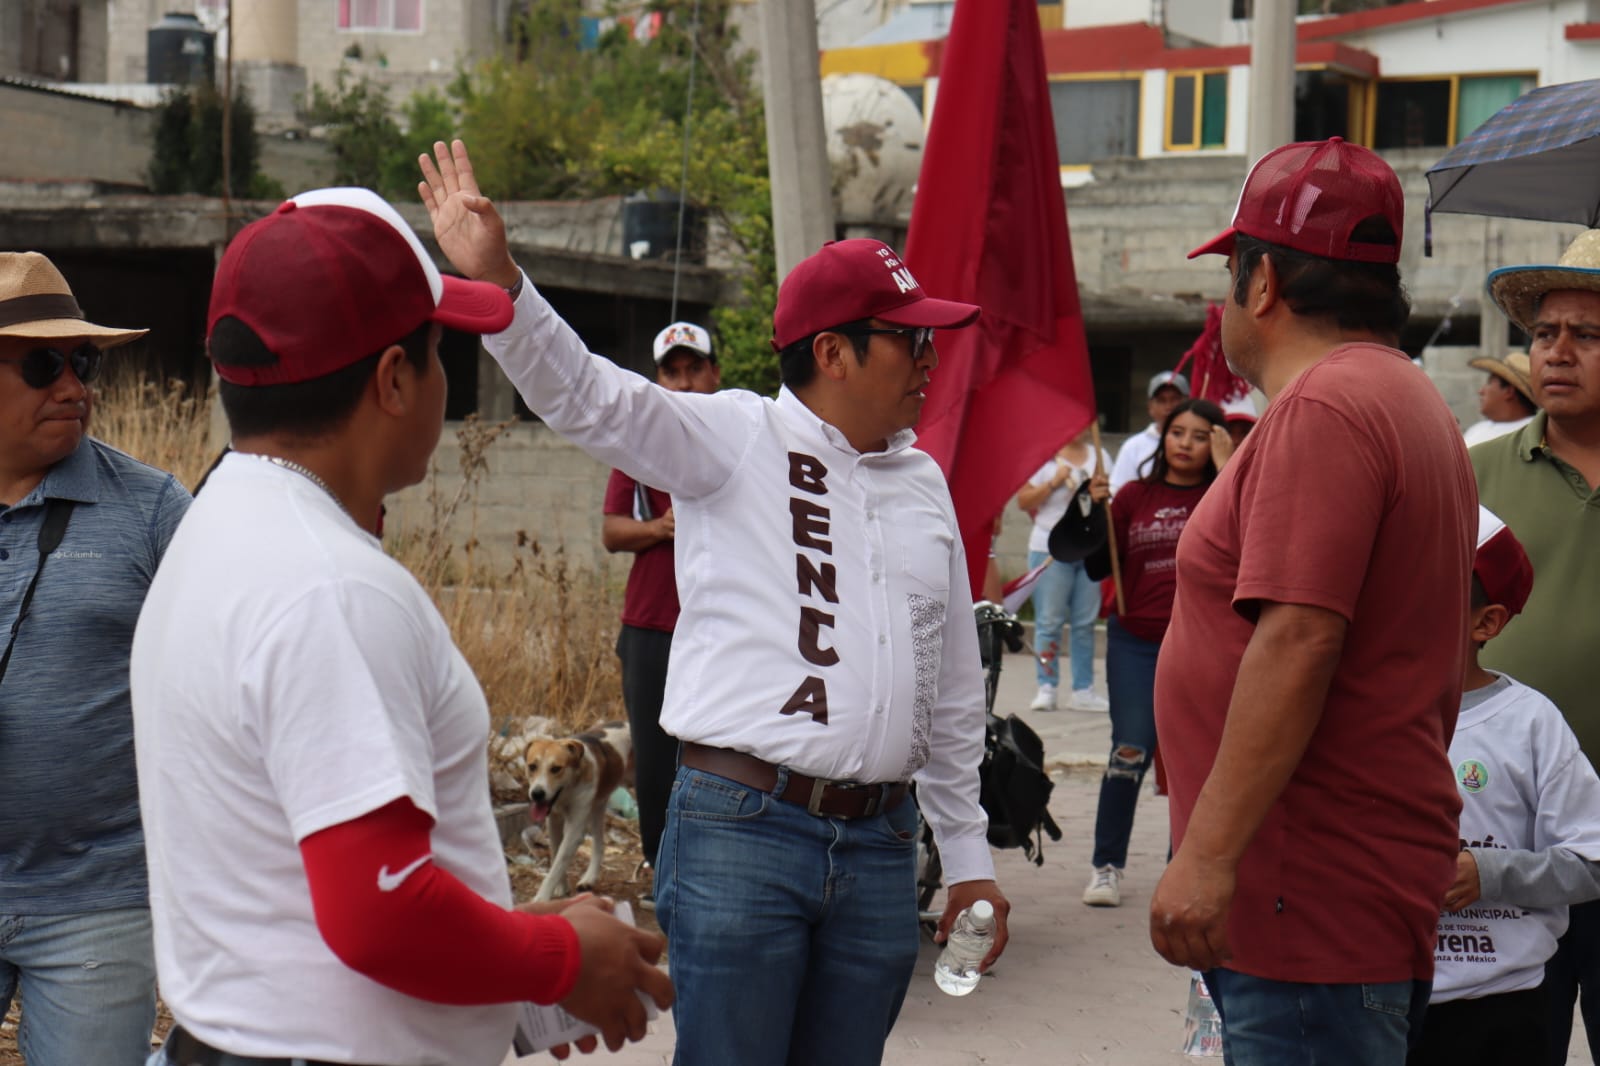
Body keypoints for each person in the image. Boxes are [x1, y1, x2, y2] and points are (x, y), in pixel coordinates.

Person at [419, 138, 1009, 1066]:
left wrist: (969, 859)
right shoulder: (735, 435)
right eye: (911, 336)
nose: (932, 355)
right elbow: (590, 398)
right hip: (745, 836)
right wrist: (500, 283)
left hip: (881, 849)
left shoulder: (923, 482)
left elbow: (952, 685)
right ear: (833, 352)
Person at [130, 188, 670, 1066]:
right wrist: (559, 959)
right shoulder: (330, 590)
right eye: (437, 351)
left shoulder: (221, 522)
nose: (445, 381)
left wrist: (504, 936)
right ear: (391, 380)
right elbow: (379, 912)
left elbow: (299, 886)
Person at [1151, 137, 1476, 1065]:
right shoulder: (1401, 395)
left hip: (1307, 900)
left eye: (1231, 272)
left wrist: (1209, 858)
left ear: (1262, 285)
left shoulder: (1326, 408)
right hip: (1340, 894)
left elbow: (1299, 640)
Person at [0, 253, 189, 1066]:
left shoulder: (155, 510)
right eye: (45, 364)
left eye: (85, 362)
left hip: (100, 904)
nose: (75, 386)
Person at [1408, 506, 1600, 1066]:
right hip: (1382, 998)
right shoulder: (1357, 716)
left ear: (1485, 623)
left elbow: (1590, 860)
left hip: (1506, 1004)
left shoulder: (1530, 722)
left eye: (1423, 596)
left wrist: (1488, 874)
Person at [1475, 227, 1600, 1064]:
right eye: (1543, 332)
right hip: (1511, 837)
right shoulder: (1472, 472)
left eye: (1586, 334)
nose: (1556, 352)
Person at [1079, 398, 1230, 908]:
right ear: (1161, 438)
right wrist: (1091, 509)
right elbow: (1100, 568)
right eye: (1177, 432)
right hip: (1136, 641)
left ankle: (1181, 869)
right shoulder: (1131, 497)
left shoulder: (1225, 495)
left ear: (1218, 444)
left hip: (1202, 642)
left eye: (1200, 435)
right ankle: (1105, 866)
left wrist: (1232, 474)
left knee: (1197, 760)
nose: (1185, 443)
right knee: (1130, 748)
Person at [602, 321, 721, 882]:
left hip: (723, 628)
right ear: (657, 381)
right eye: (672, 372)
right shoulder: (637, 451)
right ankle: (662, 871)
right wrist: (661, 528)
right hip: (651, 626)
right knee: (654, 760)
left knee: (720, 757)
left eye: (695, 368)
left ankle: (713, 870)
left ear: (714, 374)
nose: (685, 382)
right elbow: (611, 531)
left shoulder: (740, 443)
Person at [1014, 426, 1111, 713]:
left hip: (1089, 546)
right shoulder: (1044, 460)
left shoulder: (1099, 456)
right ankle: (1047, 686)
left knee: (1085, 623)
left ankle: (1083, 689)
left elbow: (1113, 493)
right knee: (1049, 621)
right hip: (1050, 549)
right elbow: (1023, 501)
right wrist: (1054, 483)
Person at [1109, 370, 1188, 492]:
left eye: (1175, 399)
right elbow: (1117, 491)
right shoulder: (1133, 447)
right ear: (1150, 407)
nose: (1169, 406)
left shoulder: (1201, 444)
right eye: (1162, 400)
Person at [1462, 351, 1536, 447]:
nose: (1481, 391)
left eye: (1489, 383)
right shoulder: (1477, 429)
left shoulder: (1534, 434)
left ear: (1509, 392)